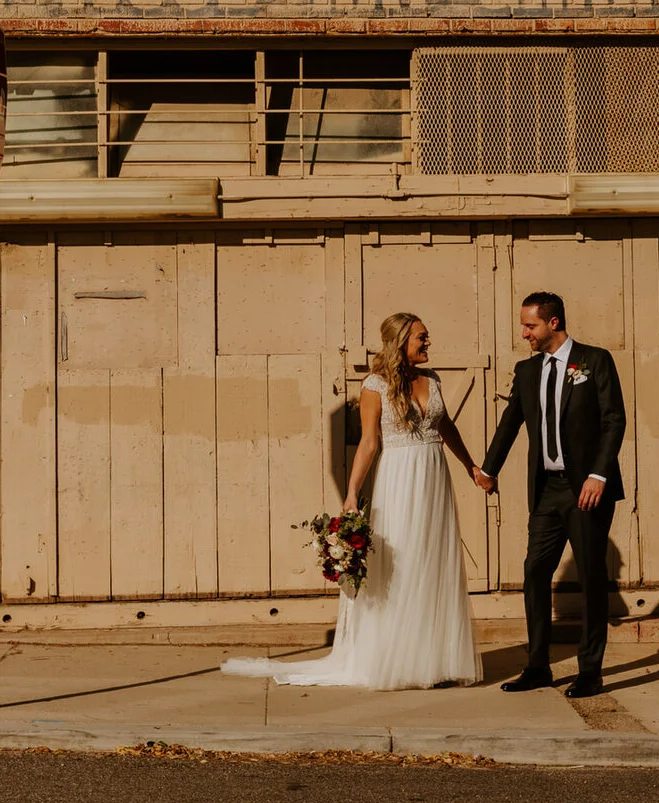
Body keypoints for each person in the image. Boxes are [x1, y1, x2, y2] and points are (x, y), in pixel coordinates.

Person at [222, 311, 482, 690]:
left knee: (433, 563)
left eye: (427, 337)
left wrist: (470, 465)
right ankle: (393, 659)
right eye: (421, 338)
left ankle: (432, 660)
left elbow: (445, 427)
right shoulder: (375, 384)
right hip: (399, 480)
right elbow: (369, 442)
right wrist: (350, 495)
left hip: (434, 477)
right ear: (401, 342)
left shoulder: (433, 379)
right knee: (401, 566)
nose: (428, 343)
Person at [473, 291, 627, 698]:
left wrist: (599, 475)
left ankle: (589, 671)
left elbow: (614, 420)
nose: (524, 333)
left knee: (592, 578)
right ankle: (538, 666)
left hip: (586, 490)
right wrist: (488, 470)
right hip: (546, 491)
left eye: (530, 325)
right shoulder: (527, 371)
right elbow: (510, 423)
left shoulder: (594, 361)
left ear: (553, 323)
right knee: (534, 572)